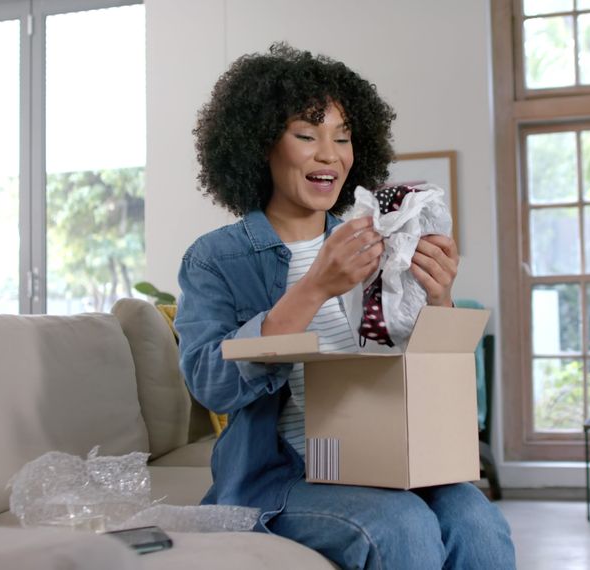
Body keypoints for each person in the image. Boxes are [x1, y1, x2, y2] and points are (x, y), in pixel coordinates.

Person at [174, 43, 516, 569]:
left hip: (388, 458)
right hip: (284, 475)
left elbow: (422, 372)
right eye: (306, 135)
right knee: (401, 525)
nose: (330, 154)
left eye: (343, 137)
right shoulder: (216, 258)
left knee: (479, 522)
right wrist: (314, 287)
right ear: (261, 144)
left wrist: (439, 297)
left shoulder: (379, 241)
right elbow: (210, 384)